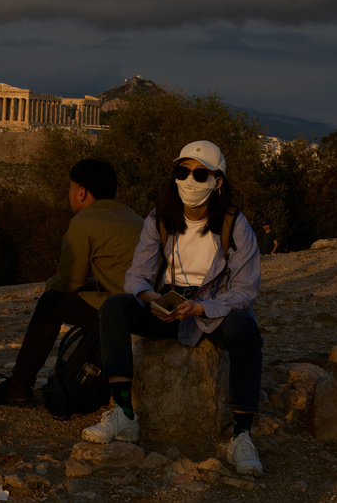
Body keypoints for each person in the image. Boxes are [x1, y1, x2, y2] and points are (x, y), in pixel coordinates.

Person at [84, 140, 265, 477]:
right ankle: (124, 415)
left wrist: (201, 308)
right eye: (183, 171)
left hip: (212, 308)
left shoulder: (234, 224)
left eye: (200, 174)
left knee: (245, 330)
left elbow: (244, 290)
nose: (189, 180)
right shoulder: (160, 218)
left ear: (217, 181)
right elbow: (137, 275)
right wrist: (151, 300)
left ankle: (242, 437)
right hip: (168, 304)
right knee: (114, 309)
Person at [0, 158, 142, 407]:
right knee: (83, 293)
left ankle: (18, 386)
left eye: (70, 189)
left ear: (82, 192)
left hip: (126, 313)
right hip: (146, 307)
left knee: (50, 302)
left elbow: (68, 282)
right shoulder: (132, 216)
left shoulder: (84, 222)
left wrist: (49, 284)